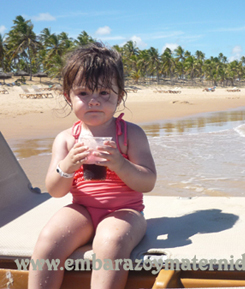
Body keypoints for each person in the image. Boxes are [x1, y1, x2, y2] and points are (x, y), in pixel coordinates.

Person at [28, 42, 157, 289]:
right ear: (68, 97)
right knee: (48, 240)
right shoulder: (66, 138)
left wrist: (120, 164)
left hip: (126, 212)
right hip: (82, 210)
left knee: (110, 241)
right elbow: (55, 191)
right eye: (84, 93)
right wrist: (68, 164)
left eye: (104, 93)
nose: (94, 101)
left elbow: (148, 182)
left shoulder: (130, 135)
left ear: (120, 96)